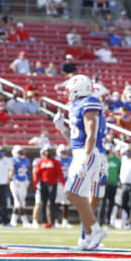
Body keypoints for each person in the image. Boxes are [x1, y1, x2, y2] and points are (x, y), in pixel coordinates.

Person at [52, 75, 107, 249]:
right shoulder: (75, 106)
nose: (67, 92)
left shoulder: (89, 102)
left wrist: (86, 156)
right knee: (80, 196)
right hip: (80, 152)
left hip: (87, 154)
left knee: (71, 193)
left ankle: (96, 229)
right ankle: (88, 237)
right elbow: (75, 138)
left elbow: (91, 134)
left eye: (69, 89)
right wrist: (62, 129)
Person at [33, 145, 65, 228]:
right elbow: (37, 173)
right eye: (46, 151)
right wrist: (35, 183)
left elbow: (60, 173)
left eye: (49, 151)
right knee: (43, 203)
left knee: (52, 203)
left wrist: (63, 183)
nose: (48, 153)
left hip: (53, 184)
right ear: (44, 152)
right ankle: (45, 221)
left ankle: (53, 221)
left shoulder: (56, 162)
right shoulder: (40, 162)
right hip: (43, 184)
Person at [9, 145, 31, 227]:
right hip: (15, 182)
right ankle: (25, 221)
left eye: (23, 151)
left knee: (21, 203)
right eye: (20, 152)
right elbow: (11, 171)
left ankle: (13, 221)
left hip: (23, 182)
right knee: (18, 203)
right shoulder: (12, 160)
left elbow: (28, 172)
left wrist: (27, 180)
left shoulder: (27, 160)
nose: (22, 153)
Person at [99, 144, 120, 226]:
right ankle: (100, 221)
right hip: (104, 184)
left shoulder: (117, 160)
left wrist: (118, 181)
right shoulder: (103, 159)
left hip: (113, 184)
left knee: (111, 203)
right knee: (103, 203)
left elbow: (119, 171)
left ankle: (108, 221)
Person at [55, 144, 73, 228]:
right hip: (58, 183)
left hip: (68, 183)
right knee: (57, 202)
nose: (64, 153)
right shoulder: (56, 160)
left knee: (66, 203)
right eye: (62, 152)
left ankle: (65, 221)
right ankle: (56, 220)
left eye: (65, 151)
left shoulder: (70, 159)